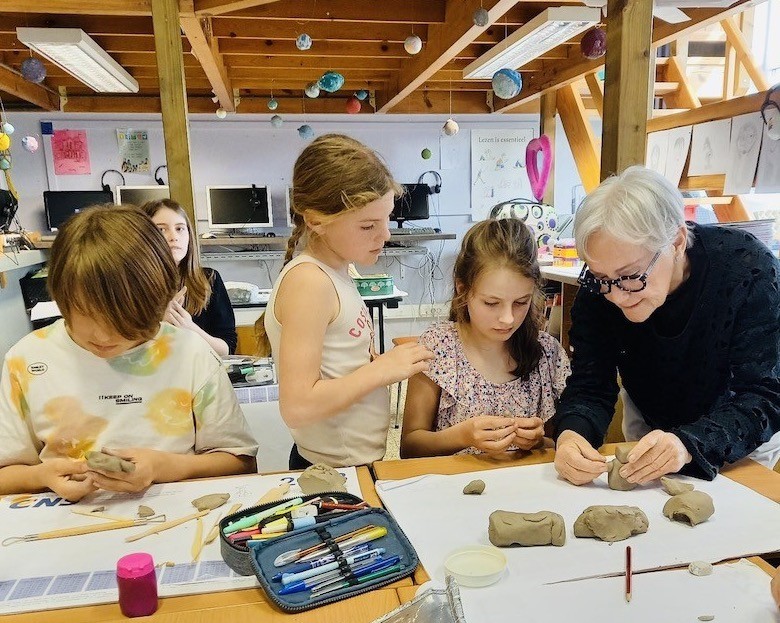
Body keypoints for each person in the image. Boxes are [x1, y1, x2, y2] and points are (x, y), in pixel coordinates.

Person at [0, 206, 258, 501]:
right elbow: (6, 474)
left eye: (123, 321)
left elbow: (241, 462)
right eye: (86, 314)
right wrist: (39, 476)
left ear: (159, 300)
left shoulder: (189, 353)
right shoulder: (27, 359)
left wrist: (163, 466)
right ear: (60, 296)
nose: (103, 336)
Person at [552, 166, 780, 486]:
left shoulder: (747, 270)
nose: (616, 296)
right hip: (652, 425)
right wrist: (571, 434)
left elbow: (765, 395)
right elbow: (591, 384)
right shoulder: (601, 288)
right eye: (602, 278)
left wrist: (688, 444)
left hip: (740, 434)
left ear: (676, 241)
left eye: (631, 276)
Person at [264, 134, 434, 469]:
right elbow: (297, 406)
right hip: (332, 469)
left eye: (386, 219)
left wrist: (373, 365)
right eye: (368, 225)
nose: (385, 234)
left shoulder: (338, 270)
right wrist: (381, 371)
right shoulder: (310, 282)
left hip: (351, 462)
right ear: (316, 220)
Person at [401, 218, 570, 458]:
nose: (508, 319)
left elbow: (561, 444)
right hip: (455, 480)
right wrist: (462, 436)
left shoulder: (547, 353)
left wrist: (538, 441)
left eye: (521, 302)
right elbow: (409, 448)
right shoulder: (437, 347)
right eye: (491, 303)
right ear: (463, 290)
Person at [142, 198, 237, 356]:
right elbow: (119, 351)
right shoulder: (130, 284)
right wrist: (160, 326)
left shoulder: (209, 279)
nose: (173, 237)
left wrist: (190, 328)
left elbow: (227, 349)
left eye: (180, 228)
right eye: (161, 230)